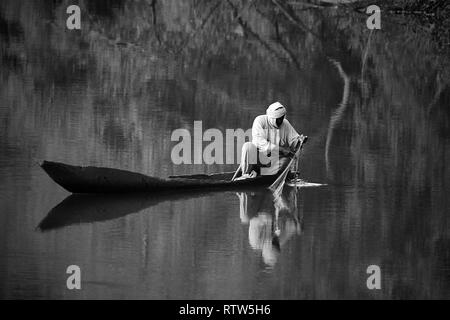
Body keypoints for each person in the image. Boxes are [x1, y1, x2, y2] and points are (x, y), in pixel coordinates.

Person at [234, 102, 303, 180]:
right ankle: (246, 174)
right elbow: (259, 143)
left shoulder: (285, 123)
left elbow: (294, 141)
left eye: (282, 118)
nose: (281, 121)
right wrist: (281, 149)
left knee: (287, 160)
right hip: (259, 161)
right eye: (278, 119)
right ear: (272, 118)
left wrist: (300, 141)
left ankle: (275, 175)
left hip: (274, 163)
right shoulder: (260, 120)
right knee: (248, 146)